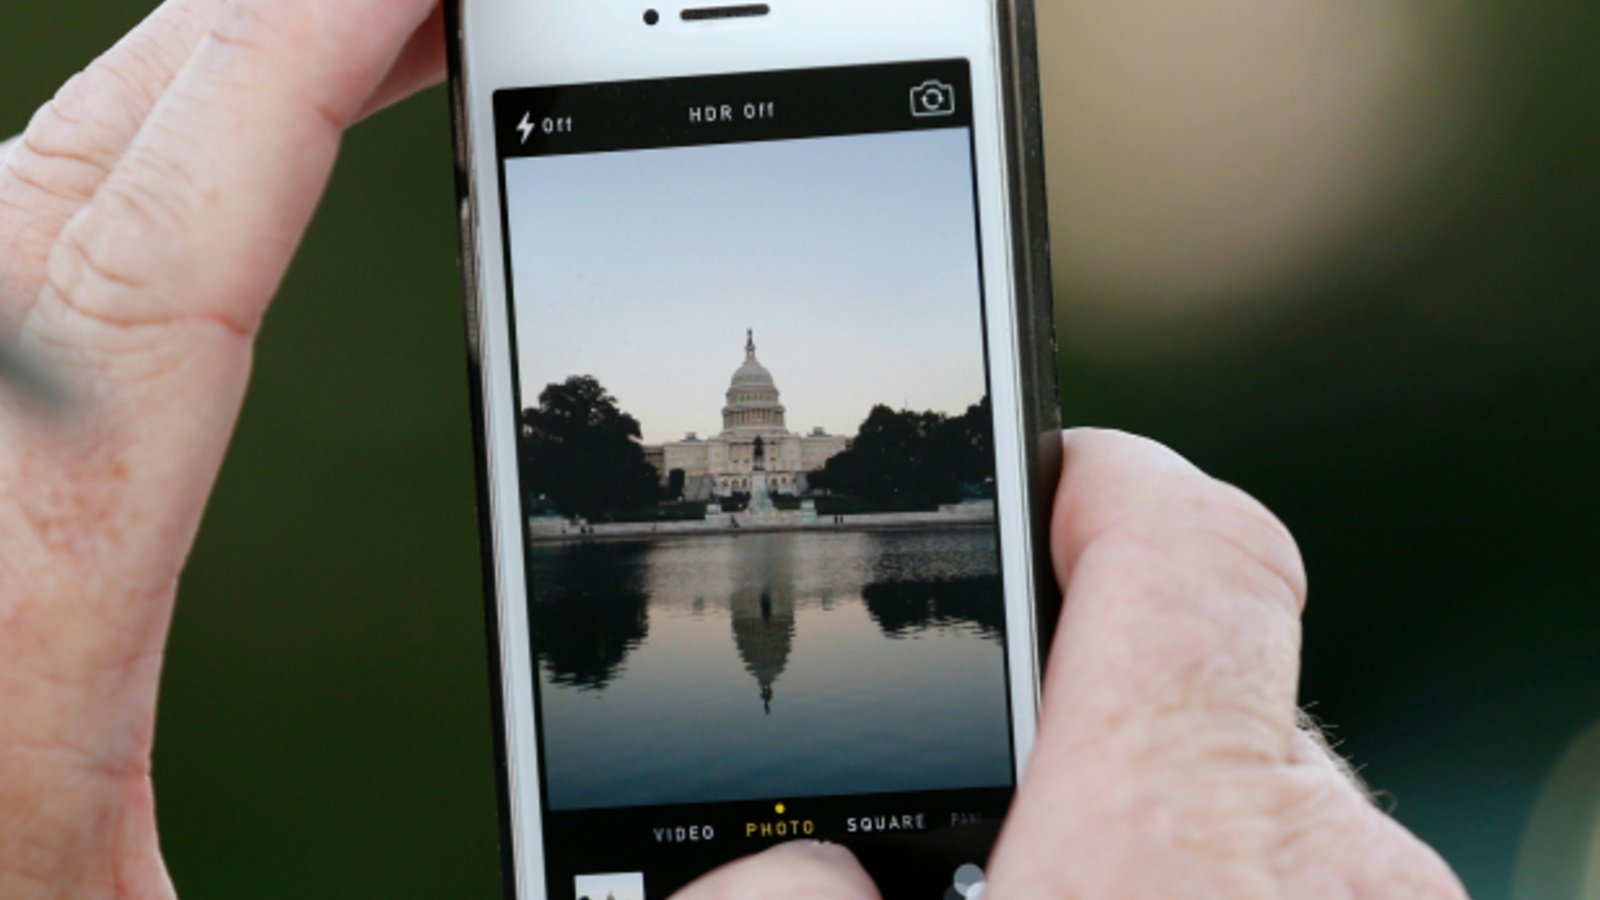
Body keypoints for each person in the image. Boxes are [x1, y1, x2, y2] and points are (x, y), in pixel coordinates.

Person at [0, 2, 1467, 898]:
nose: (755, 455)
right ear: (743, 435)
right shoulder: (714, 458)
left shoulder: (776, 464)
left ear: (764, 430)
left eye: (758, 439)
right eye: (751, 440)